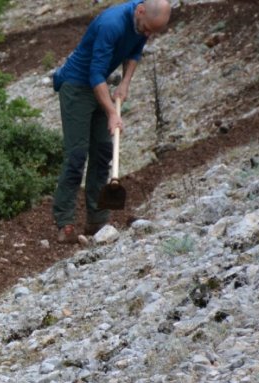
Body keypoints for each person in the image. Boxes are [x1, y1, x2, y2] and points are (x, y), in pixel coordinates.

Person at [51, 0, 171, 244]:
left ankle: (97, 221)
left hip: (101, 85)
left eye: (152, 32)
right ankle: (65, 223)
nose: (147, 34)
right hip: (77, 86)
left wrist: (125, 82)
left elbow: (135, 51)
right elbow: (95, 73)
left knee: (103, 152)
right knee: (77, 155)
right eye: (146, 28)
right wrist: (112, 113)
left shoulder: (142, 24)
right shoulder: (111, 24)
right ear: (140, 11)